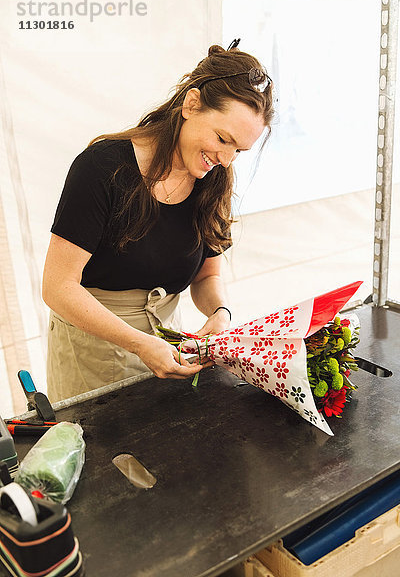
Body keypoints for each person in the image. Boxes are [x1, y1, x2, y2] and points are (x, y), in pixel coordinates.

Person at [42, 39, 274, 402]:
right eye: (222, 138)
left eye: (238, 151)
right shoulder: (102, 167)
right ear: (191, 104)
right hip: (92, 349)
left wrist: (220, 312)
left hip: (166, 344)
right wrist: (138, 343)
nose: (226, 159)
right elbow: (58, 287)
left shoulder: (213, 180)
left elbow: (207, 274)